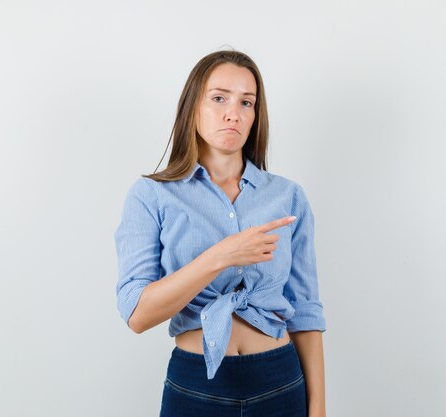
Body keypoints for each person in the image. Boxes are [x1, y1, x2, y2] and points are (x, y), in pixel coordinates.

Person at [114, 50, 327, 417]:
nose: (234, 113)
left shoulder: (288, 196)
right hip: (197, 386)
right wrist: (222, 255)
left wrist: (319, 409)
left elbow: (305, 312)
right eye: (219, 98)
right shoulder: (152, 195)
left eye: (247, 102)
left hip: (280, 381)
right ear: (192, 106)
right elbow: (138, 315)